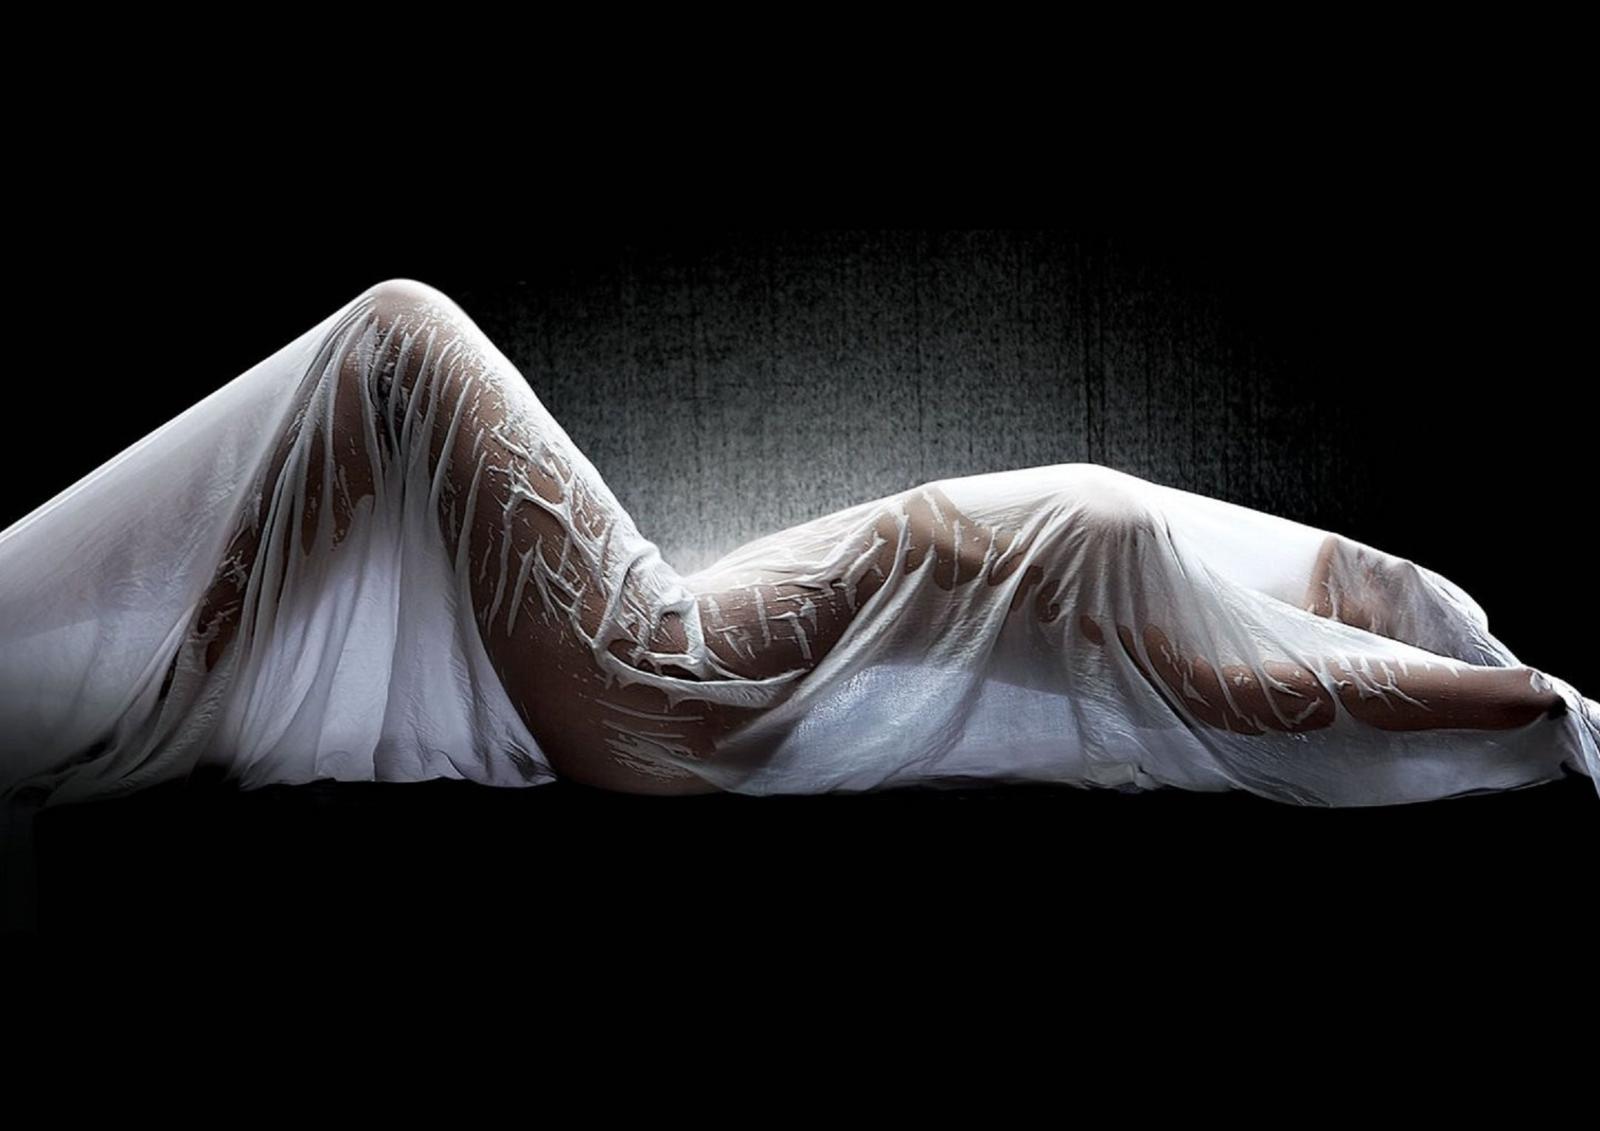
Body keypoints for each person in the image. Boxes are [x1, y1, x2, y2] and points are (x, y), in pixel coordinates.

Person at [1, 278, 1595, 814]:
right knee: (388, 349)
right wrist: (1467, 654)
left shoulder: (1159, 609)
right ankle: (155, 664)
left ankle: (168, 675)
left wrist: (1536, 707)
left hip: (657, 673)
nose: (1350, 589)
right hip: (666, 644)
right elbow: (1358, 609)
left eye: (1372, 606)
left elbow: (1274, 696)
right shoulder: (1237, 559)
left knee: (399, 335)